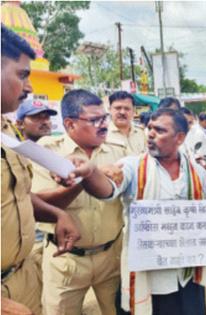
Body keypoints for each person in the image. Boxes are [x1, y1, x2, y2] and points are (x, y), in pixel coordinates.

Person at [56, 108, 206, 315]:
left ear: (179, 138)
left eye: (159, 130)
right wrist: (89, 173)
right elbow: (106, 189)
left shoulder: (198, 173)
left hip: (188, 279)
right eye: (149, 128)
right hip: (151, 282)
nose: (150, 134)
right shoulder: (133, 167)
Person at [1, 24, 80, 315]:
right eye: (22, 74)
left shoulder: (7, 129)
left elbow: (16, 197)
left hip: (23, 278)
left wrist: (57, 214)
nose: (30, 87)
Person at [32, 89, 127, 315]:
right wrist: (85, 178)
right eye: (95, 120)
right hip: (66, 261)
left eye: (104, 118)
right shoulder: (47, 153)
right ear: (70, 123)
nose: (104, 125)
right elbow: (37, 204)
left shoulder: (119, 151)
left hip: (111, 256)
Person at [107, 91, 147, 155]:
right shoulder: (103, 135)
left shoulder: (141, 132)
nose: (122, 112)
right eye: (118, 108)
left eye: (127, 108)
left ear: (133, 111)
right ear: (110, 110)